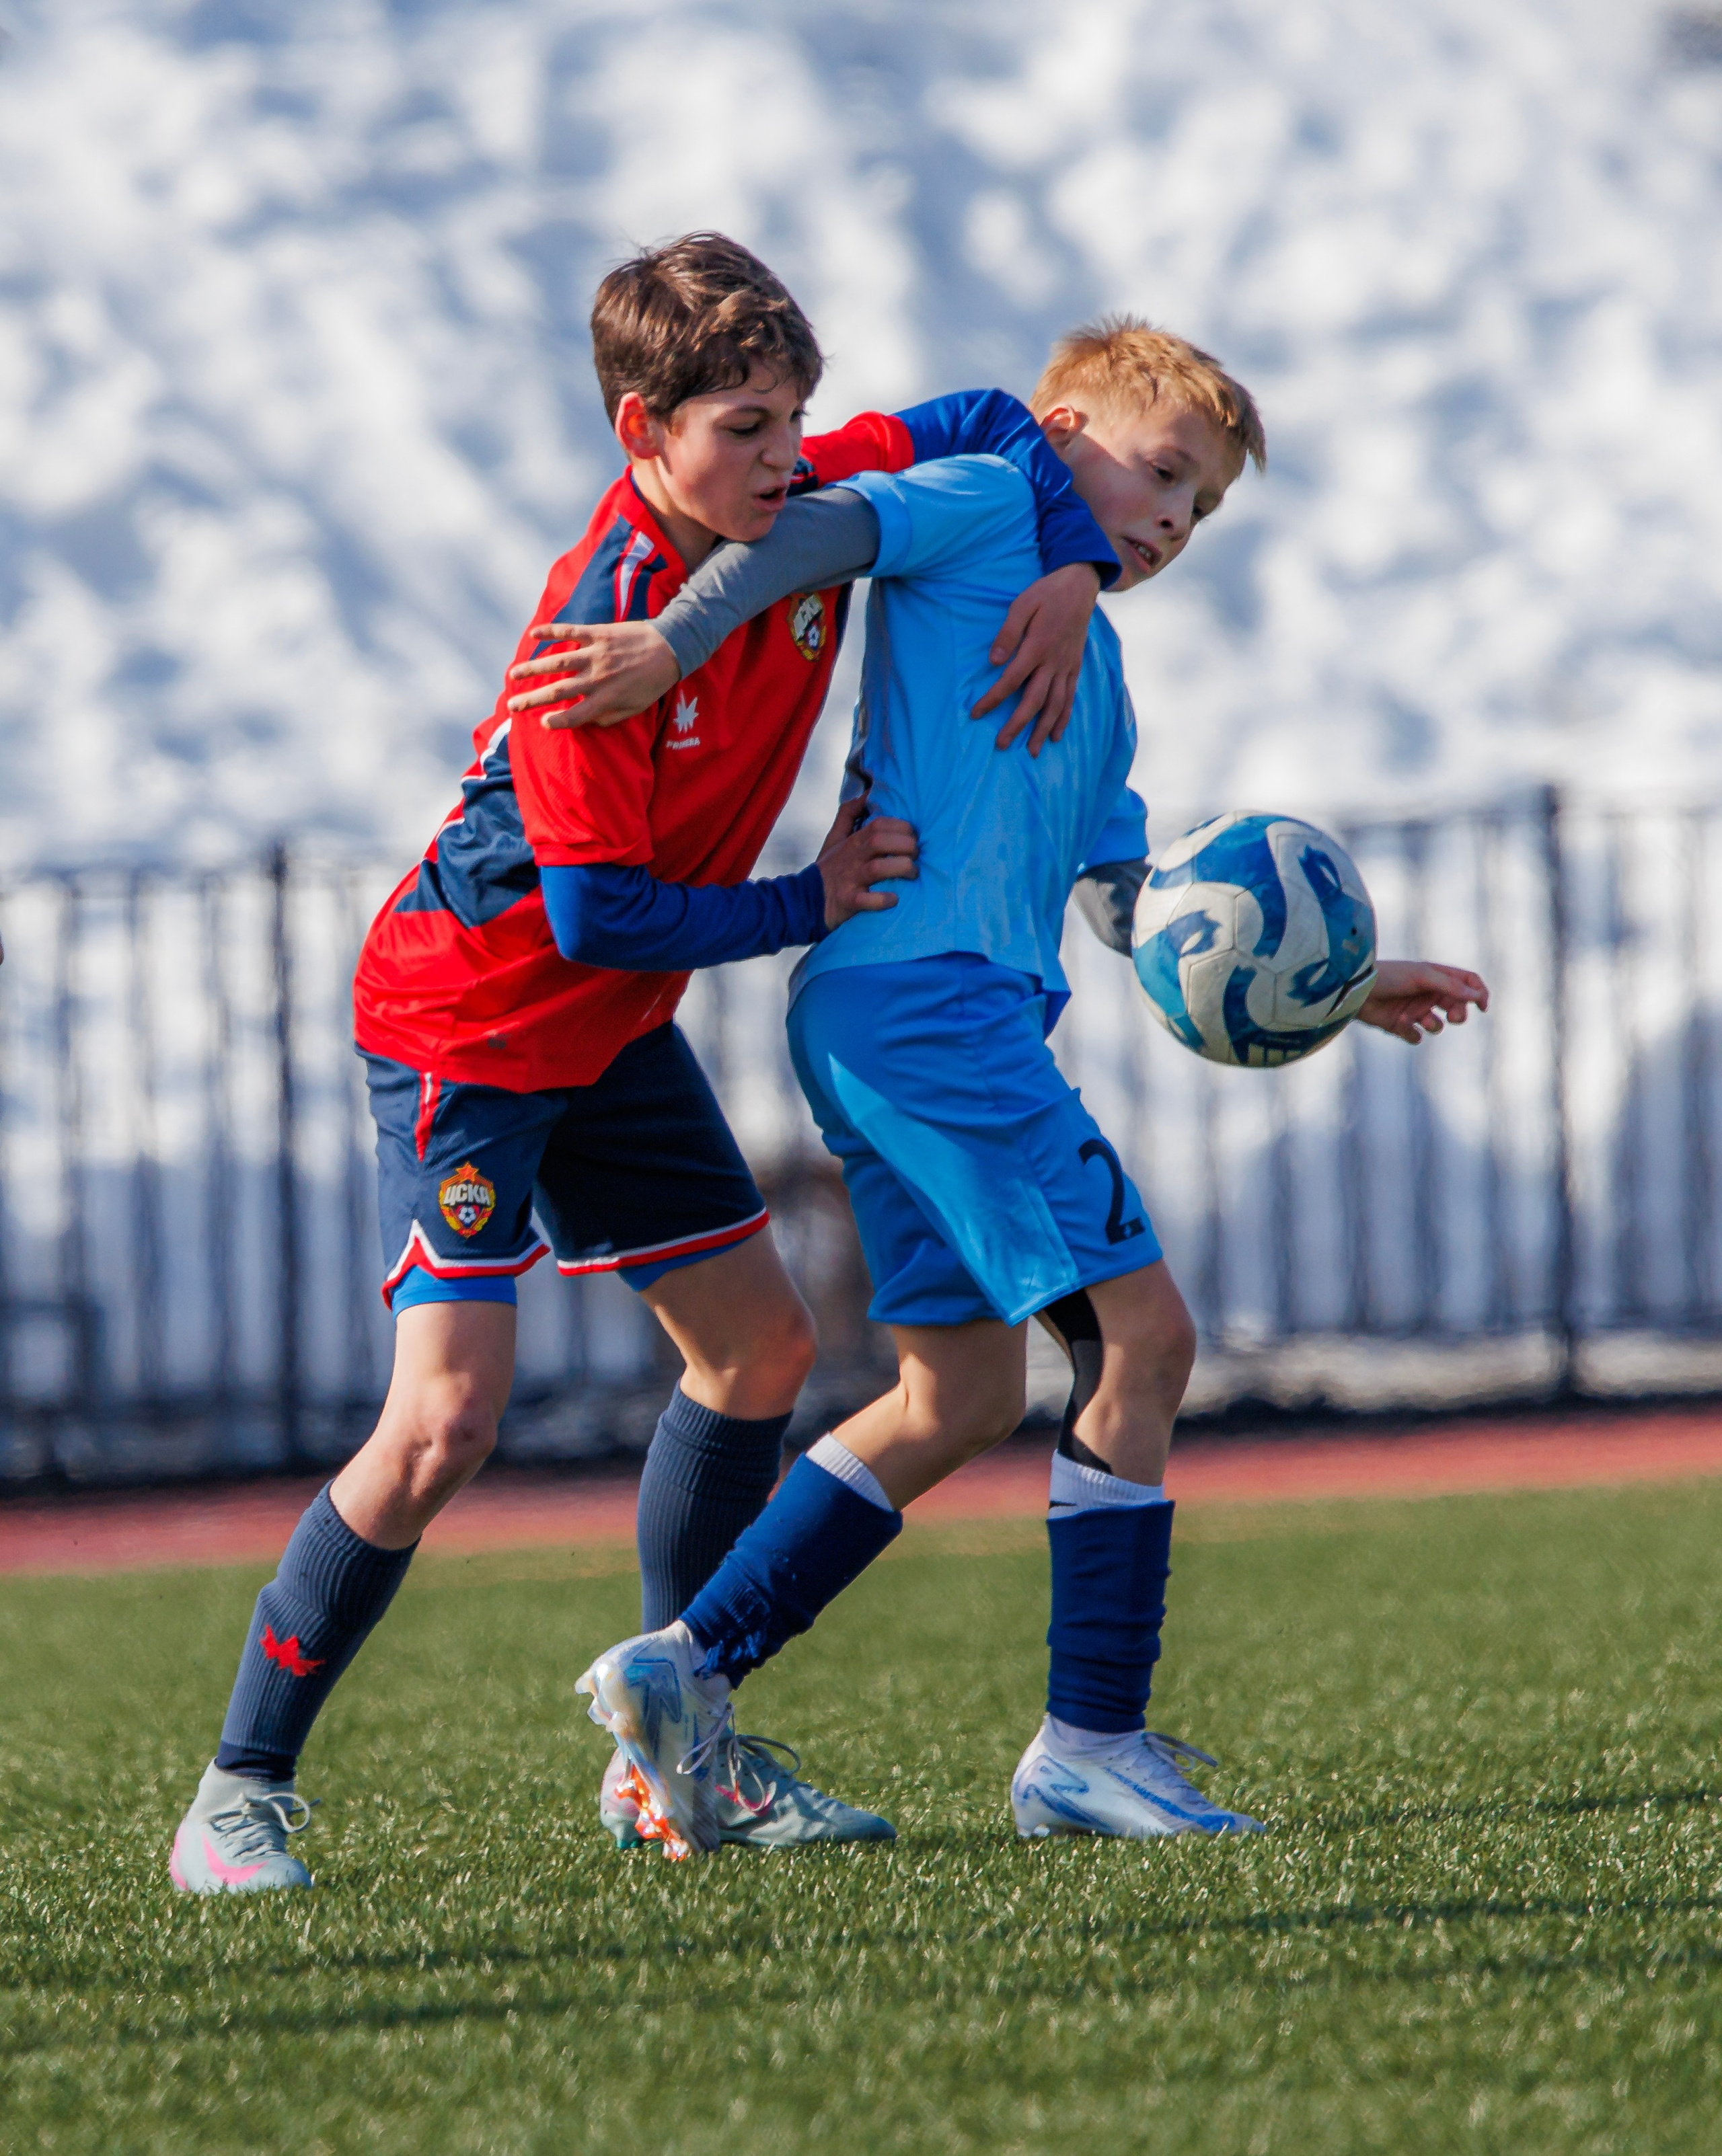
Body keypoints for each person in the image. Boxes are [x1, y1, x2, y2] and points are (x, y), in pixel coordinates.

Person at [167, 234, 1125, 1892]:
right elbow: (603, 913)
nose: (779, 459)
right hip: (471, 1026)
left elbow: (990, 413)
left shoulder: (799, 498)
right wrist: (811, 898)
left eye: (789, 421)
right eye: (740, 427)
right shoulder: (591, 628)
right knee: (445, 1421)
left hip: (608, 1036)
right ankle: (237, 1792)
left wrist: (1068, 573)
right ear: (642, 430)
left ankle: (679, 1748)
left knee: (759, 1354)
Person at [569, 317, 1491, 1856]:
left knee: (961, 1393)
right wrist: (674, 639)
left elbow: (1130, 910)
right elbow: (812, 530)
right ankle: (1090, 1743)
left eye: (1195, 512)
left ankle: (682, 1666)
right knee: (1148, 1338)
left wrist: (1332, 987)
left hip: (901, 1020)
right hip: (929, 1016)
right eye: (1159, 473)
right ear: (1062, 424)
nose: (1168, 523)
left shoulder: (1105, 678)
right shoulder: (993, 498)